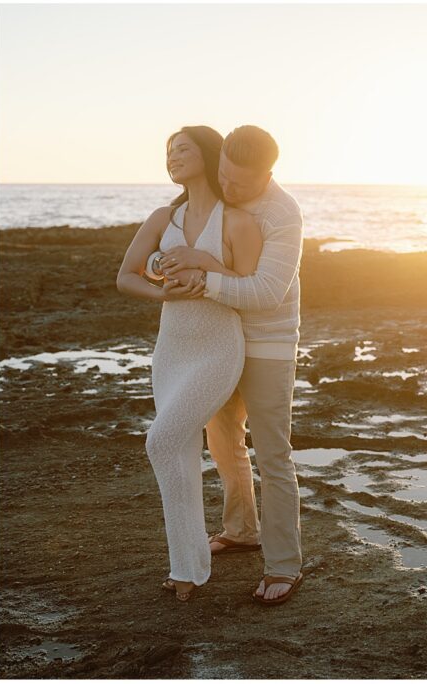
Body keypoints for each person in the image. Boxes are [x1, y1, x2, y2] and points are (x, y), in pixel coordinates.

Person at [159, 125, 305, 605]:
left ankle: (284, 564)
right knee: (223, 442)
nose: (229, 187)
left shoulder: (283, 214)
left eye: (239, 182)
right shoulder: (222, 190)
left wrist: (202, 275)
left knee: (273, 454)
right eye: (223, 175)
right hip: (221, 341)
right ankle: (242, 530)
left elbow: (266, 293)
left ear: (267, 173)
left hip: (267, 343)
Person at [116, 125, 262, 601]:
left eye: (183, 148)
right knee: (177, 450)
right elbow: (125, 277)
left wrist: (204, 263)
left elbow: (249, 289)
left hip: (218, 348)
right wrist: (163, 292)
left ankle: (187, 566)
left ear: (208, 154)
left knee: (160, 441)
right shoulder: (163, 217)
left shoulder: (238, 221)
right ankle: (190, 567)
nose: (173, 156)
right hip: (171, 350)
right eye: (169, 151)